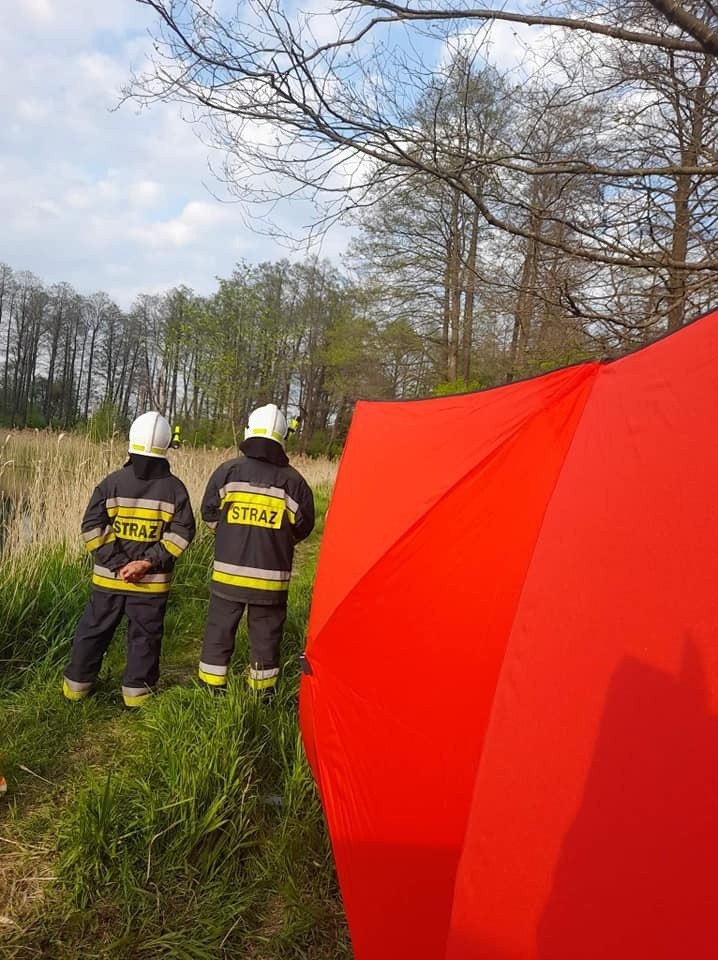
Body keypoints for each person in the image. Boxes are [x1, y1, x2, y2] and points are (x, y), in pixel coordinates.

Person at [63, 412, 196, 708]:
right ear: (166, 446)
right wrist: (145, 563)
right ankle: (137, 697)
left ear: (131, 442)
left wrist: (118, 563)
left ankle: (76, 689)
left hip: (108, 581)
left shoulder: (111, 483)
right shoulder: (176, 489)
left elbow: (92, 528)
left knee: (93, 632)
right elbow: (183, 532)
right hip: (151, 585)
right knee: (145, 639)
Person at [197, 403, 315, 698]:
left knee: (218, 631)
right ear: (281, 437)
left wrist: (228, 535)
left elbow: (209, 513)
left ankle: (211, 688)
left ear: (250, 431)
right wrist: (278, 541)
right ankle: (262, 694)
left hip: (228, 575)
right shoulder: (295, 482)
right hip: (270, 581)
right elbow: (304, 527)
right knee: (266, 637)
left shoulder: (227, 471)